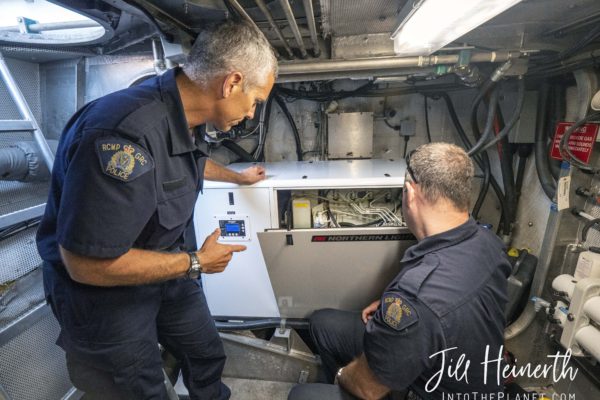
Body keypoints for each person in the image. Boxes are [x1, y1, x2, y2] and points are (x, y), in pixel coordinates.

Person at [36, 20, 277, 400]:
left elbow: (187, 163)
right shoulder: (124, 135)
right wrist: (196, 263)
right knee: (140, 389)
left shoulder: (185, 115)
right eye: (256, 101)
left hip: (163, 272)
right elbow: (85, 264)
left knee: (205, 352)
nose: (251, 114)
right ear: (230, 83)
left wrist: (237, 178)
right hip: (104, 295)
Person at [289, 143, 512, 400]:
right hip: (456, 365)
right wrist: (390, 308)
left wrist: (343, 374)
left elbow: (368, 388)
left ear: (409, 192)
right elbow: (444, 304)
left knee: (301, 395)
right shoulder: (487, 243)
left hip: (425, 390)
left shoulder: (416, 299)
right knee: (323, 323)